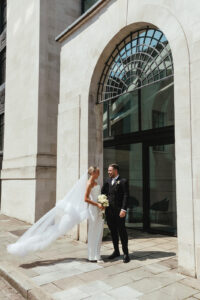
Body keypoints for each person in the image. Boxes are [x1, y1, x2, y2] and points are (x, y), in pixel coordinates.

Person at [101, 164, 130, 263]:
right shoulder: (107, 181)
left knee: (122, 231)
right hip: (109, 211)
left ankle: (126, 253)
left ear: (116, 170)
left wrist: (124, 209)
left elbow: (126, 196)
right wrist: (102, 202)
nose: (108, 172)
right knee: (113, 231)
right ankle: (116, 251)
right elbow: (103, 193)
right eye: (108, 170)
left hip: (119, 211)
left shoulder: (123, 181)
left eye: (110, 170)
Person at [84, 166, 104, 262]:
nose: (99, 174)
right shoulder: (89, 183)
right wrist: (97, 204)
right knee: (93, 231)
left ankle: (97, 254)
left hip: (100, 208)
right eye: (98, 172)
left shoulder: (96, 182)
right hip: (93, 209)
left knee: (99, 230)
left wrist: (103, 203)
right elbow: (86, 199)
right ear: (93, 173)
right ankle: (91, 255)